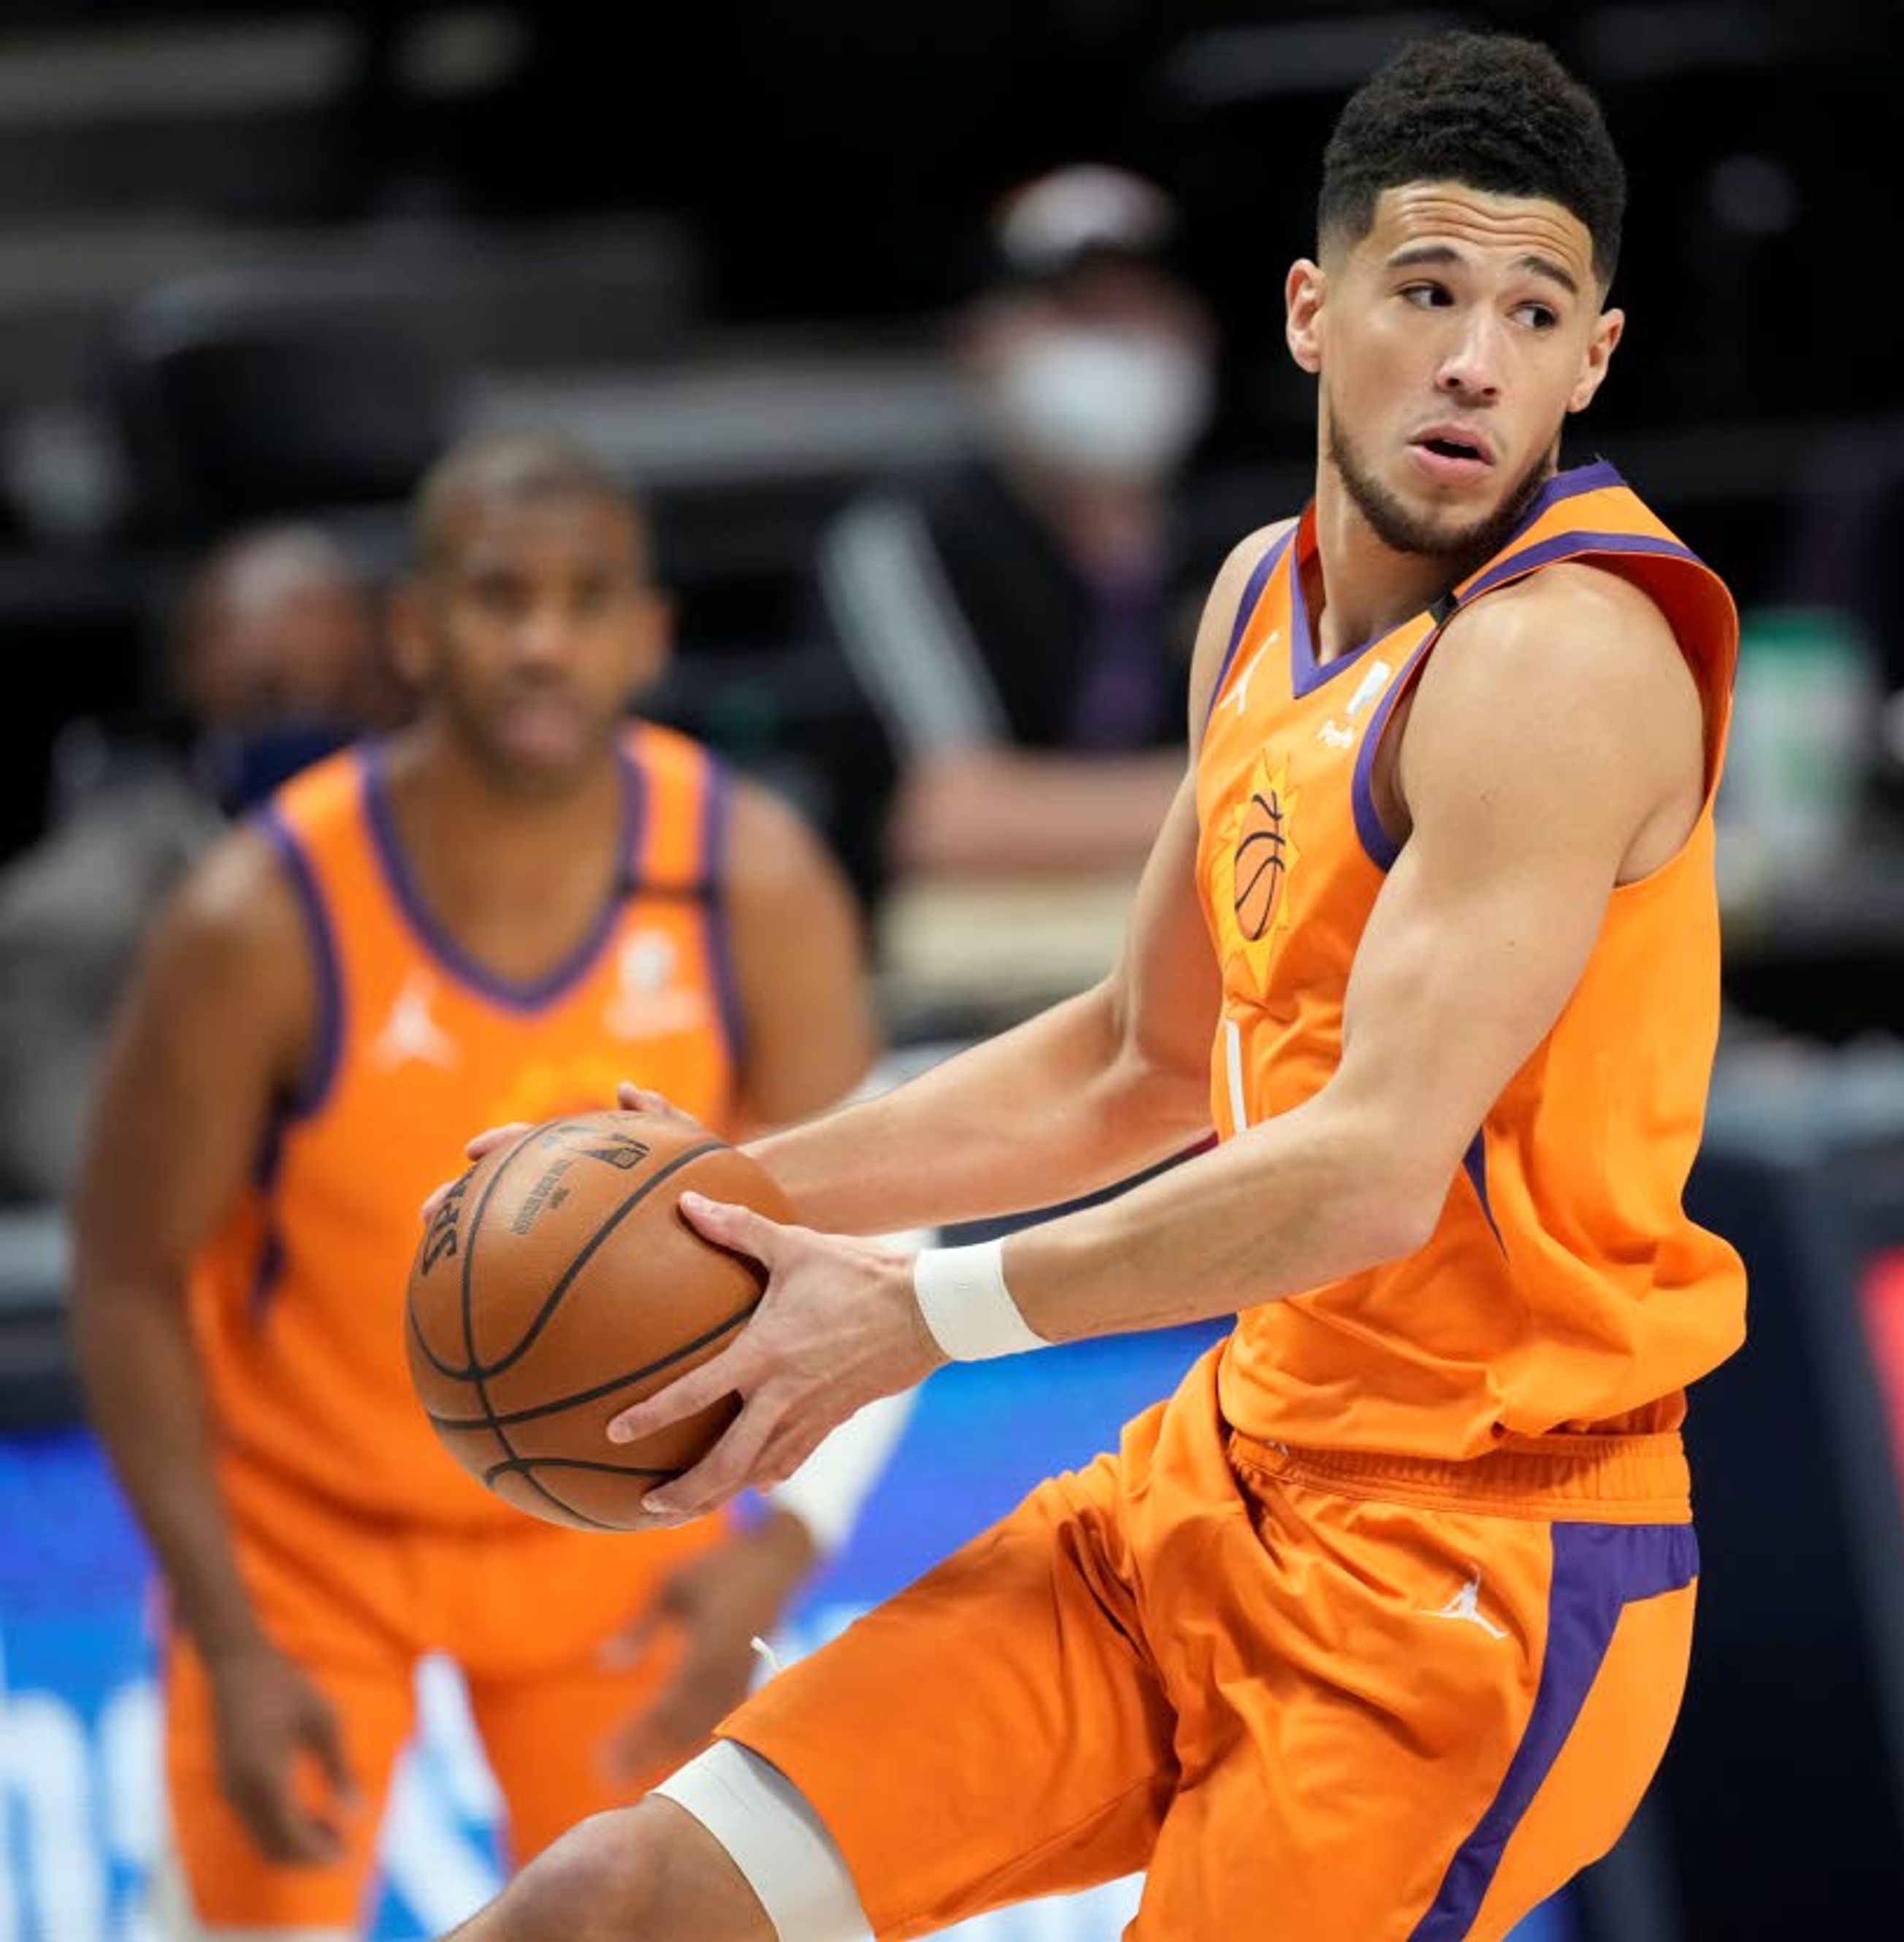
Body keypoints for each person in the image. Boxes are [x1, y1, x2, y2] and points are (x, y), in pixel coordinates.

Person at [443, 31, 1743, 1942]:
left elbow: (1364, 1171)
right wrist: (743, 1193)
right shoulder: (1255, 597)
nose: (1475, 358)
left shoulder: (1569, 658)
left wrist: (917, 1313)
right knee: (618, 1899)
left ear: (1592, 361)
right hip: (1224, 1482)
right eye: (1428, 291)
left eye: (1534, 310)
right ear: (1314, 312)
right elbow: (1139, 1058)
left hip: (1481, 1565)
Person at [69, 432, 881, 1938]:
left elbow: (875, 1229)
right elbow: (122, 1275)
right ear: (414, 628)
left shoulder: (748, 880)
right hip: (309, 1542)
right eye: (499, 596)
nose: (541, 642)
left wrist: (778, 1543)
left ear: (649, 636)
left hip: (616, 1523)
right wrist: (230, 1637)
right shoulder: (262, 912)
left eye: (584, 601)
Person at [818, 163, 1215, 891]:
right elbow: (952, 823)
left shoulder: (1242, 541)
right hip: (972, 972)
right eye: (1077, 315)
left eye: (1136, 309)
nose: (1114, 347)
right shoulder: (912, 538)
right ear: (981, 342)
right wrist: (1229, 791)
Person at [0, 524, 391, 1201]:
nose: (310, 732)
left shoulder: (448, 871)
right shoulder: (77, 915)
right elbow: (95, 1188)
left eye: (345, 695)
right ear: (195, 671)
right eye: (275, 692)